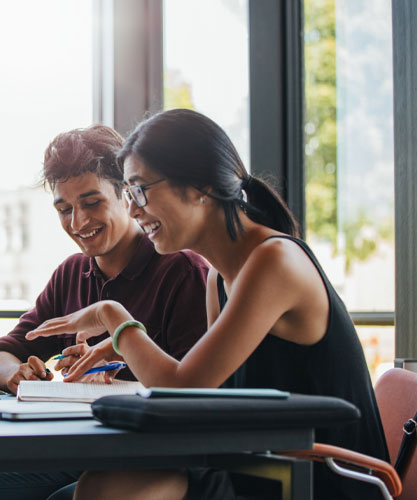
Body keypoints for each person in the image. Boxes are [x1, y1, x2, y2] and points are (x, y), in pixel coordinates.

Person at [26, 109, 387, 500]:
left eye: (141, 190)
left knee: (105, 489)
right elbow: (203, 398)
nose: (132, 209)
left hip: (318, 480)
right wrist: (121, 344)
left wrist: (112, 317)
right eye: (129, 194)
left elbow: (182, 388)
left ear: (200, 186)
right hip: (261, 467)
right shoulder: (219, 277)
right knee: (99, 484)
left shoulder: (274, 262)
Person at [0, 124, 210, 500]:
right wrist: (16, 374)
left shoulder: (182, 271)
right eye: (64, 209)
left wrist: (112, 373)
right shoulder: (71, 273)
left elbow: (193, 396)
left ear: (127, 196)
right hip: (80, 452)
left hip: (153, 459)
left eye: (92, 203)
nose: (77, 223)